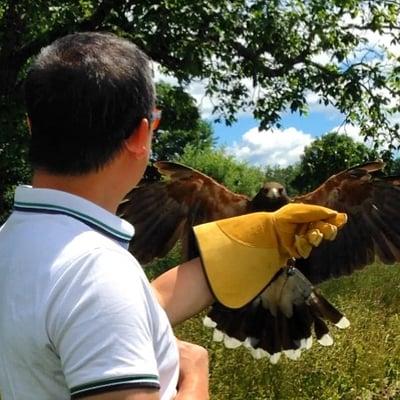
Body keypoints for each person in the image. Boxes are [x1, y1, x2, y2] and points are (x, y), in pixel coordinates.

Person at [0, 32, 346, 400]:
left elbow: (115, 309)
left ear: (31, 127)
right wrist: (196, 371)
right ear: (141, 134)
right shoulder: (98, 273)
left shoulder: (16, 244)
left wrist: (259, 240)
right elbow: (102, 297)